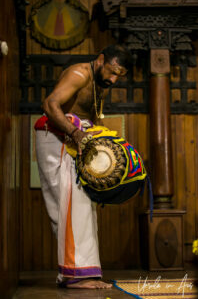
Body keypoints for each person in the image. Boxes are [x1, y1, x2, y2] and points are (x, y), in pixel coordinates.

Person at [35, 45, 131, 289]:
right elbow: (50, 104)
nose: (113, 79)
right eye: (111, 71)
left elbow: (92, 115)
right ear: (100, 60)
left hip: (74, 138)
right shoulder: (79, 74)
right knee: (72, 204)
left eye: (119, 75)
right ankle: (77, 276)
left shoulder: (101, 83)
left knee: (77, 205)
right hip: (58, 136)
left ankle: (75, 273)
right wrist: (75, 134)